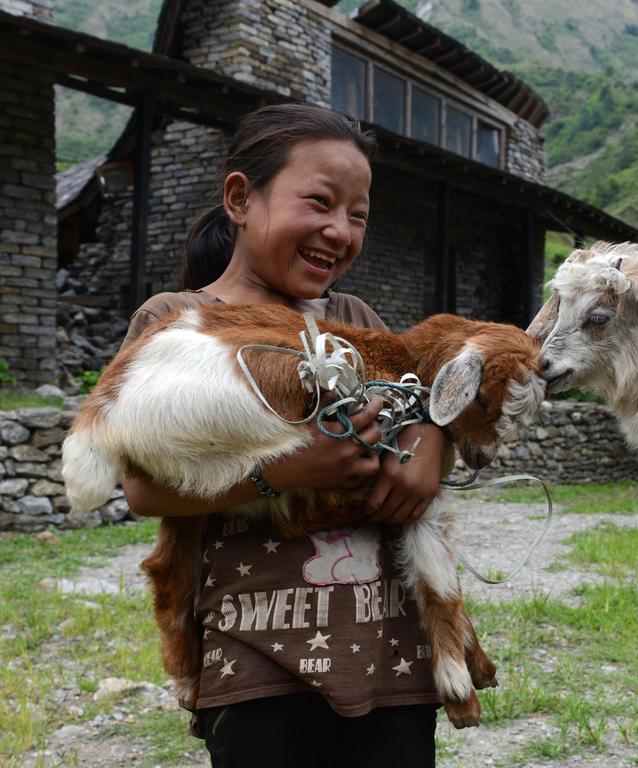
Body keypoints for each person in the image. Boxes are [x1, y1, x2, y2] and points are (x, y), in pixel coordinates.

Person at [120, 103, 449, 767]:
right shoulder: (181, 321)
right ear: (241, 197)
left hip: (388, 649)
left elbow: (427, 402)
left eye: (357, 215)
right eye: (320, 203)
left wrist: (430, 447)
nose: (339, 231)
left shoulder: (353, 316)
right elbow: (142, 486)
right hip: (256, 658)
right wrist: (289, 471)